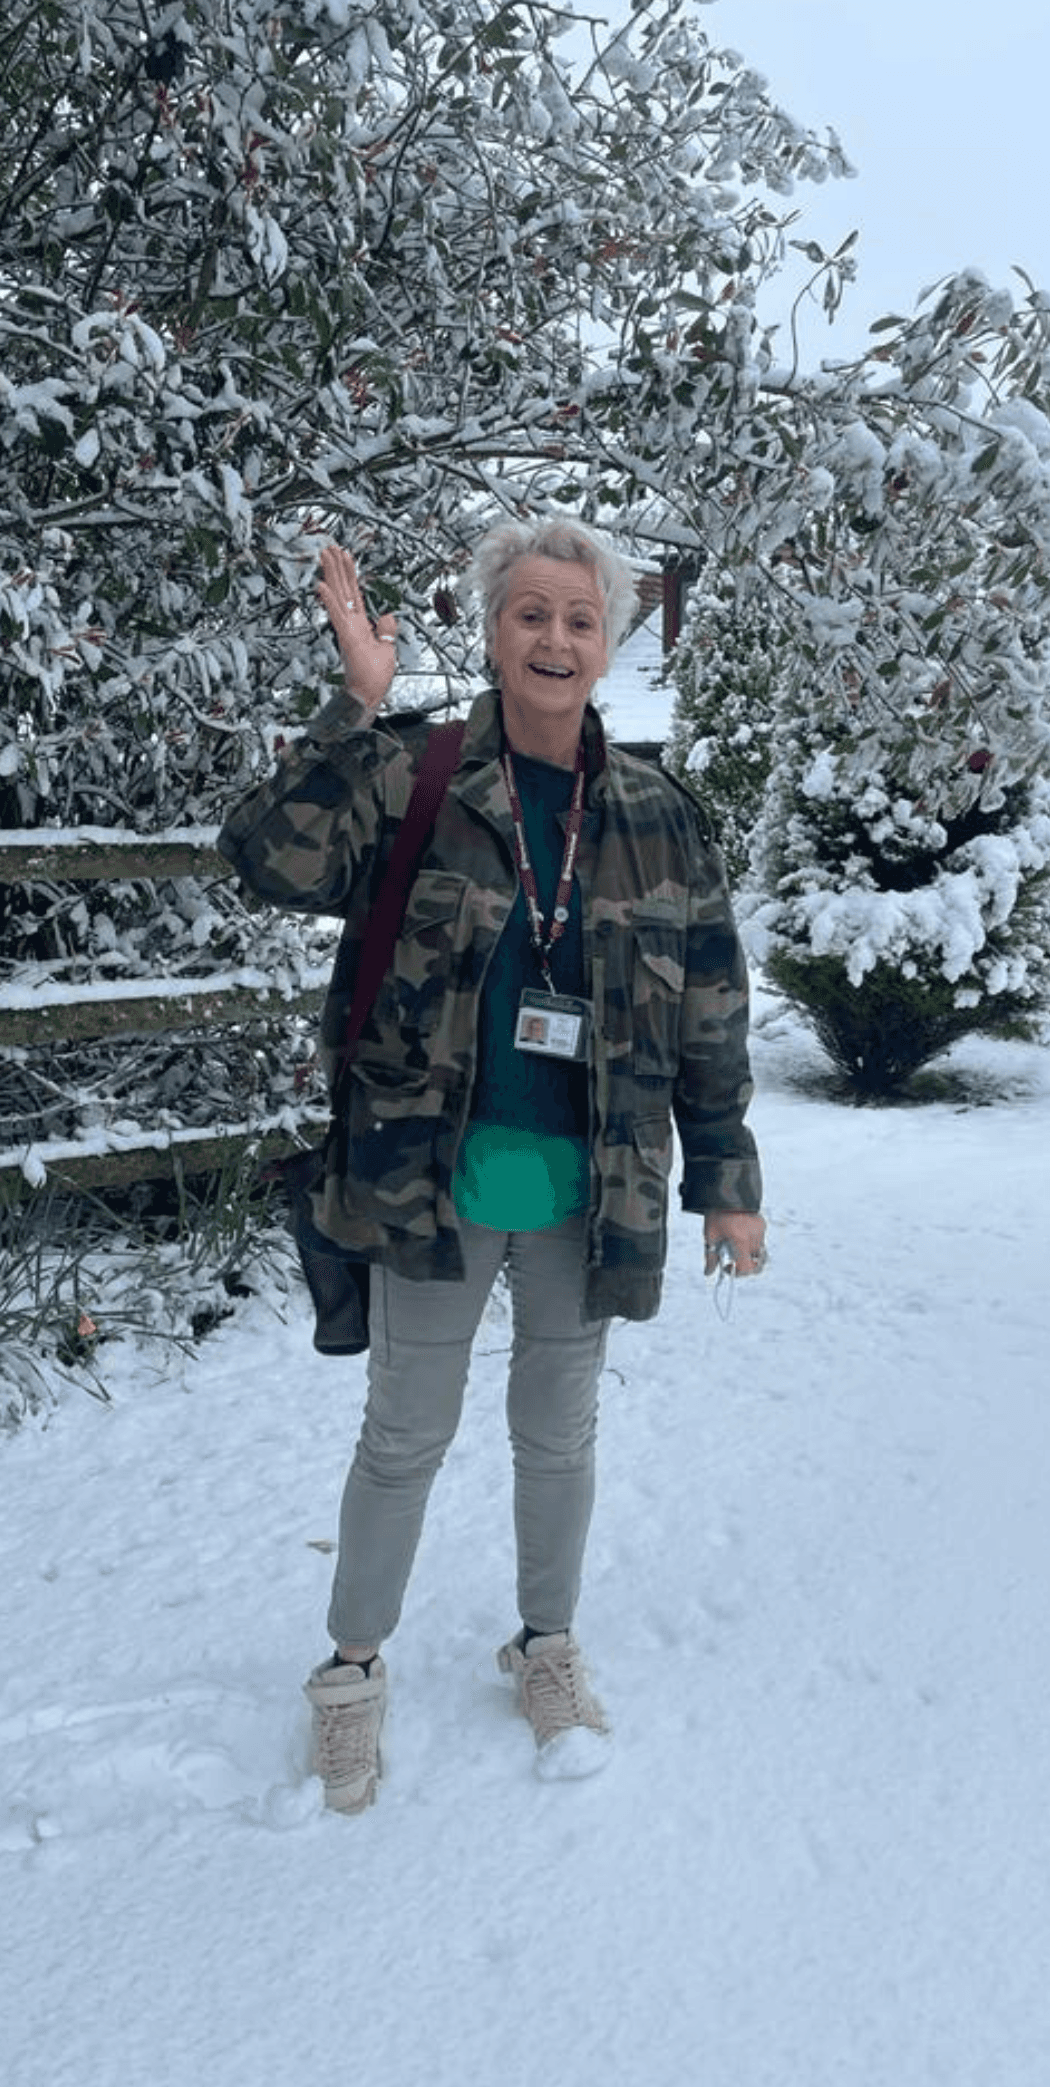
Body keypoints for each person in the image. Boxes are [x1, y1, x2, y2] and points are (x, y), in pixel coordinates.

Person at [218, 516, 767, 1811]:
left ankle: (545, 1643)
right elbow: (262, 859)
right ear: (492, 629)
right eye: (531, 613)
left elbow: (709, 1010)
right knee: (405, 1433)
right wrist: (354, 713)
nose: (555, 639)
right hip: (432, 1179)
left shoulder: (655, 816)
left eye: (580, 620)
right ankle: (350, 1672)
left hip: (591, 1189)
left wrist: (728, 1178)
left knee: (557, 1435)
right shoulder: (415, 777)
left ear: (611, 641)